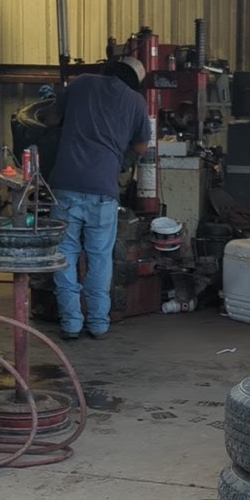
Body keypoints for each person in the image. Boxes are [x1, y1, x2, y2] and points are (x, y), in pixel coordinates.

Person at [49, 58, 151, 340]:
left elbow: (52, 118)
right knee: (100, 258)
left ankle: (71, 324)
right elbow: (142, 145)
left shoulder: (82, 83)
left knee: (64, 256)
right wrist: (120, 164)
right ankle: (98, 324)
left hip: (65, 185)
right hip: (103, 190)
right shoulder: (136, 101)